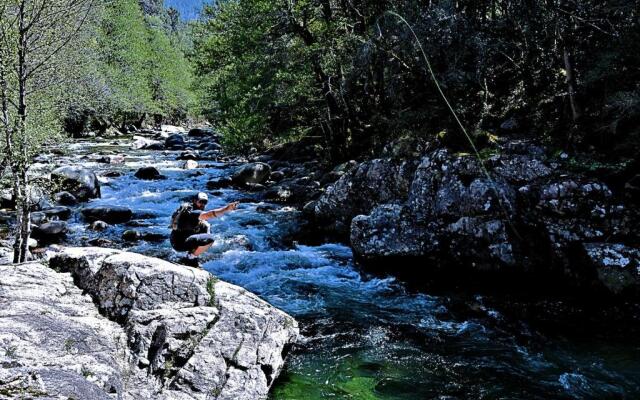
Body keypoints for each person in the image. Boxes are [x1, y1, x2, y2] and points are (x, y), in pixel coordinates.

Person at [170, 192, 239, 265]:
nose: (202, 204)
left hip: (176, 241)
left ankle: (191, 254)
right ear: (194, 201)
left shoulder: (187, 209)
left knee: (205, 226)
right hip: (180, 244)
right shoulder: (194, 212)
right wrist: (226, 209)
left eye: (205, 202)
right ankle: (191, 257)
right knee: (210, 239)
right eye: (201, 202)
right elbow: (210, 214)